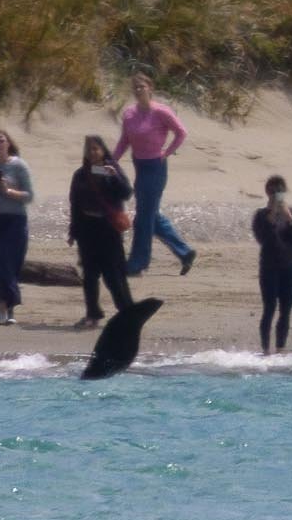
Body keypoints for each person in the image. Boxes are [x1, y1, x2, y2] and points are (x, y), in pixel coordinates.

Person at [113, 71, 197, 279]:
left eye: (143, 86)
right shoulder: (129, 114)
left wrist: (166, 153)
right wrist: (111, 160)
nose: (139, 90)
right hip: (139, 166)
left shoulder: (161, 112)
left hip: (155, 167)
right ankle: (185, 252)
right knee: (151, 216)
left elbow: (181, 132)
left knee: (143, 217)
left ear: (150, 88)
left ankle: (137, 263)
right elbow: (125, 140)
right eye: (136, 87)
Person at [67, 135, 134, 330]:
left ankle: (127, 313)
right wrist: (73, 231)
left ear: (103, 151)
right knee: (89, 275)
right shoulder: (80, 175)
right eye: (89, 150)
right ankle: (92, 314)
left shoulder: (112, 171)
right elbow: (74, 204)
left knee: (114, 275)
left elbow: (127, 193)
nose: (93, 153)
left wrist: (114, 177)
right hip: (87, 229)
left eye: (96, 149)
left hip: (108, 229)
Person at [0, 129, 34, 325]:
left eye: (1, 140)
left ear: (8, 143)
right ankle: (5, 311)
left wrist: (8, 191)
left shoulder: (19, 166)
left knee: (9, 265)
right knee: (0, 264)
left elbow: (29, 196)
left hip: (16, 220)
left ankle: (4, 309)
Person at [253, 175, 292, 352]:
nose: (276, 195)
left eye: (280, 191)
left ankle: (280, 349)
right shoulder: (260, 215)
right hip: (269, 268)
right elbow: (263, 239)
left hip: (290, 267)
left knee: (285, 310)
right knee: (269, 308)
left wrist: (289, 218)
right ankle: (266, 350)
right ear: (267, 193)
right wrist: (271, 216)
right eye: (274, 191)